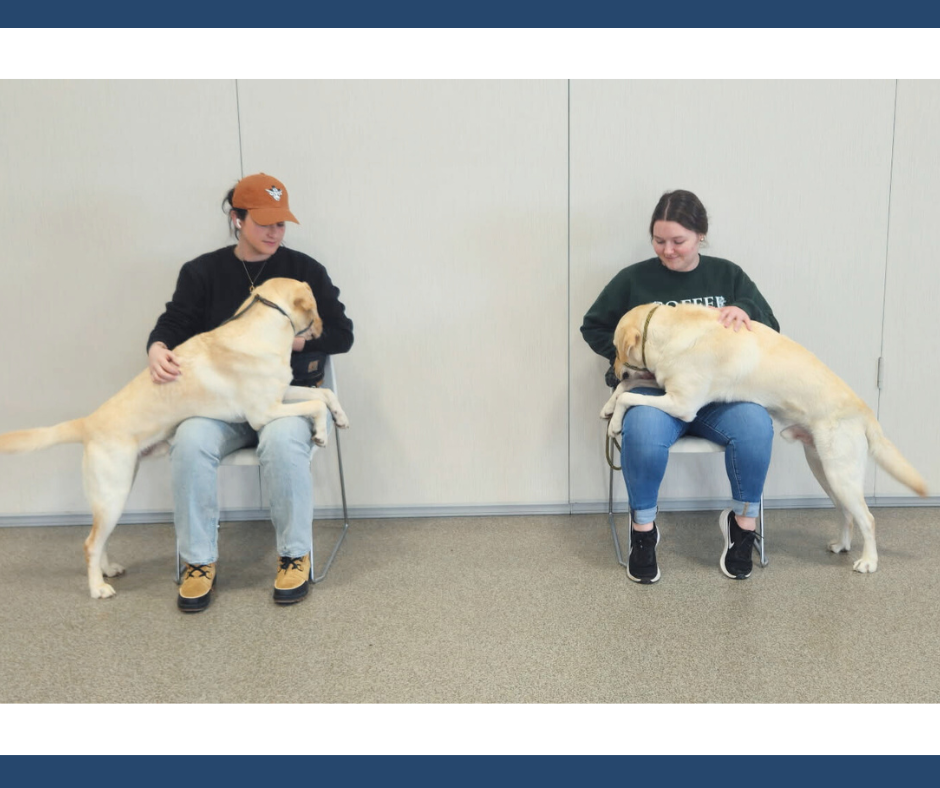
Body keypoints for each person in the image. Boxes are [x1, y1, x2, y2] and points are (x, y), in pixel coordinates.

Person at [147, 173, 354, 612]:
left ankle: (295, 555)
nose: (274, 233)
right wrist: (157, 347)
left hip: (286, 397)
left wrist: (294, 341)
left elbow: (341, 334)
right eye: (264, 223)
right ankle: (198, 562)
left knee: (281, 442)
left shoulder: (304, 271)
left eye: (281, 224)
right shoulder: (202, 272)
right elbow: (175, 322)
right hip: (221, 403)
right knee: (190, 440)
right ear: (236, 219)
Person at [581, 189, 779, 585]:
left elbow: (770, 327)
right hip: (655, 393)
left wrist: (747, 311)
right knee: (641, 433)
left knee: (756, 428)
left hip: (718, 395)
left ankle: (742, 525)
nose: (667, 251)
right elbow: (594, 326)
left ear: (700, 235)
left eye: (678, 241)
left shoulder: (727, 275)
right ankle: (643, 532)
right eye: (659, 241)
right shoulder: (634, 279)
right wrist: (635, 362)